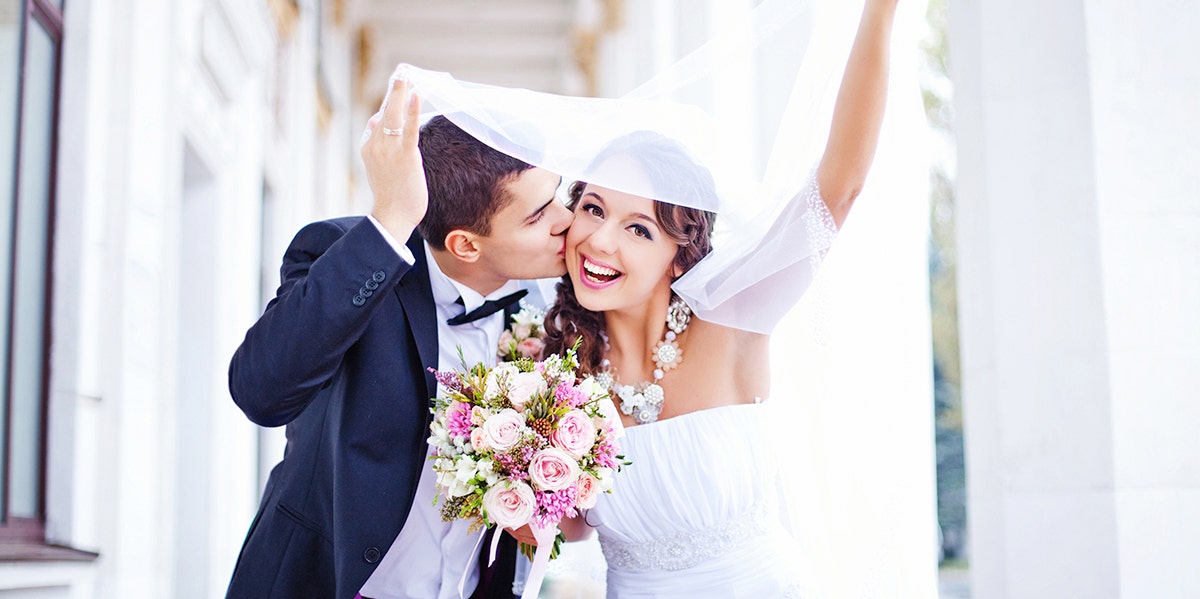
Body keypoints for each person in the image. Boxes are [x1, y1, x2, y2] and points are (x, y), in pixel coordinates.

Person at [532, 0, 900, 596]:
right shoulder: (553, 381)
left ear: (679, 255)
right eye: (593, 208)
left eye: (638, 228)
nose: (598, 240)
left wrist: (881, 12)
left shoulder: (732, 322)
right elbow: (567, 530)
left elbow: (841, 184)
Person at [224, 77, 569, 598]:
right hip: (322, 582)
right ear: (466, 246)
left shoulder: (549, 310)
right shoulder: (348, 255)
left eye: (558, 197)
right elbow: (260, 391)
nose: (567, 221)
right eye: (539, 215)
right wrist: (389, 221)